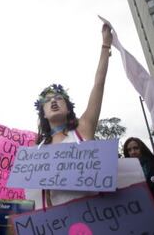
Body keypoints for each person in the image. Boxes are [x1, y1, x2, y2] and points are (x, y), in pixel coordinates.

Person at [30, 23, 112, 209]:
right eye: (48, 100)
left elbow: (98, 84)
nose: (53, 101)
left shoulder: (83, 130)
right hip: (62, 223)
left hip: (97, 215)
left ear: (68, 108)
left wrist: (105, 46)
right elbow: (43, 199)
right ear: (43, 113)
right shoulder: (38, 151)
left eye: (59, 98)